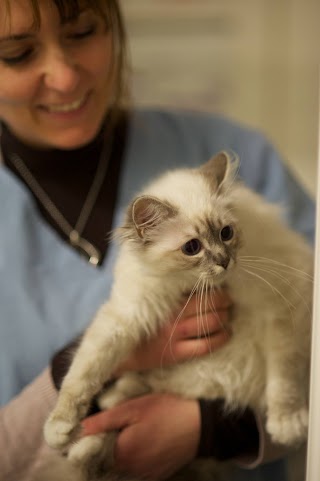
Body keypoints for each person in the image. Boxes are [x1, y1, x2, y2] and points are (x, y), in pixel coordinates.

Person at [0, 1, 314, 480]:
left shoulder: (238, 154)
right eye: (18, 53)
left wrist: (213, 430)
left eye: (83, 32)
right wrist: (96, 365)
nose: (63, 77)